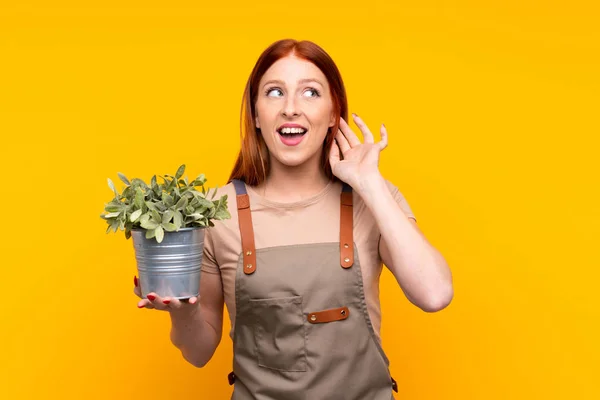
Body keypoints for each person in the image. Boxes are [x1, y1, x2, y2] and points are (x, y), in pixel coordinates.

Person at [133, 39, 453, 399]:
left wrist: (370, 184)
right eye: (274, 92)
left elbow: (435, 294)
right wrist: (181, 312)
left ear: (334, 113)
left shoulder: (374, 200)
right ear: (255, 113)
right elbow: (198, 352)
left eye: (310, 93)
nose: (290, 109)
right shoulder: (215, 213)